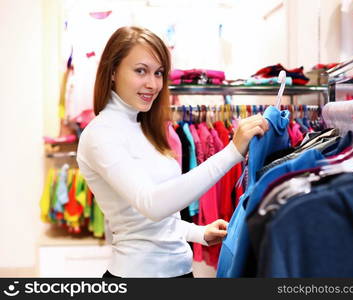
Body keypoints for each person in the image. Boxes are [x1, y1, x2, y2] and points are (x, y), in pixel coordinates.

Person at [76, 26, 269, 278]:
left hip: (179, 272)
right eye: (140, 71)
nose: (153, 84)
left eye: (158, 73)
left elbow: (152, 224)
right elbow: (153, 205)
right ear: (112, 71)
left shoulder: (144, 127)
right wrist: (231, 152)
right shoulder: (100, 134)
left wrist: (198, 232)